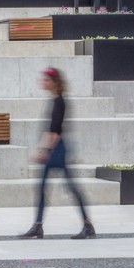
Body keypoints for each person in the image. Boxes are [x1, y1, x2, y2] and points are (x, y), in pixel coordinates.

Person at [22, 67, 95, 240]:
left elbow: (55, 130)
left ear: (54, 82)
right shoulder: (56, 100)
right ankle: (39, 225)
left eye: (46, 80)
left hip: (56, 149)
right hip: (55, 148)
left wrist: (44, 150)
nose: (43, 82)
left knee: (68, 187)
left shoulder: (59, 101)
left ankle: (86, 225)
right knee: (47, 187)